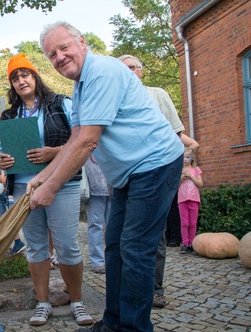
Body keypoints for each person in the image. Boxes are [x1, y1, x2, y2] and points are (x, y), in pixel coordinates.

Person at [28, 22, 184, 332]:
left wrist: (52, 189)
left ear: (82, 42)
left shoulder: (102, 71)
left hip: (154, 164)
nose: (59, 57)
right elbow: (74, 138)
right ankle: (113, 323)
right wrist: (44, 176)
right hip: (128, 174)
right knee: (114, 246)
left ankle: (134, 328)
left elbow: (88, 141)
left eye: (64, 48)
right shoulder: (81, 83)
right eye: (52, 54)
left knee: (135, 249)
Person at [0, 53, 92, 327]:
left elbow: (82, 140)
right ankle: (42, 303)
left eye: (24, 75)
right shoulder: (10, 115)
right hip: (23, 189)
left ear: (35, 76)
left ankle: (77, 302)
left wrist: (54, 152)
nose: (20, 81)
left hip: (62, 184)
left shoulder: (61, 104)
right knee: (35, 248)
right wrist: (2, 159)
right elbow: (4, 152)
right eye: (15, 78)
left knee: (66, 246)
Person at [118, 54, 200, 308]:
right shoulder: (114, 100)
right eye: (123, 69)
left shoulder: (157, 94)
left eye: (132, 67)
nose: (129, 72)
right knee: (123, 236)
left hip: (157, 173)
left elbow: (179, 135)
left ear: (140, 71)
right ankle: (129, 290)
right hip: (126, 176)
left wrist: (180, 166)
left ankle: (155, 289)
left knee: (156, 236)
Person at [84, 155, 111, 274]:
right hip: (93, 186)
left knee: (113, 225)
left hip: (113, 185)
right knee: (95, 225)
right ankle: (98, 261)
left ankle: (113, 258)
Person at [178, 148, 203, 254]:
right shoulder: (179, 170)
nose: (185, 159)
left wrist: (191, 176)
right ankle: (185, 244)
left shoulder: (196, 169)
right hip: (182, 199)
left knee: (193, 223)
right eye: (183, 157)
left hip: (194, 199)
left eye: (188, 157)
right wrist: (182, 178)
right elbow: (175, 185)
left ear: (192, 158)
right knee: (184, 223)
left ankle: (192, 243)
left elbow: (200, 184)